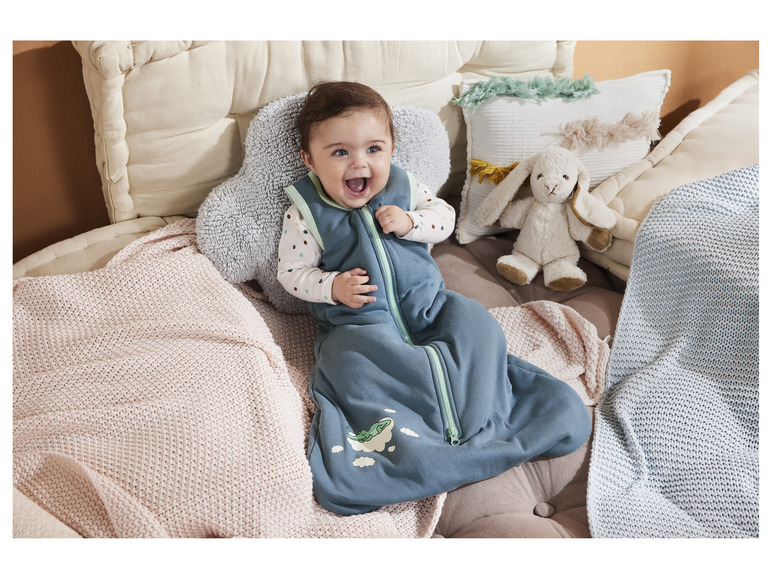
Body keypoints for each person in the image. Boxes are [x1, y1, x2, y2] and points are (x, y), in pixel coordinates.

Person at [278, 81, 591, 516]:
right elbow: (291, 274)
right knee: (351, 367)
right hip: (362, 323)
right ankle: (411, 437)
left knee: (476, 325)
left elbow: (443, 219)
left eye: (373, 149)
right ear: (310, 160)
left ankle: (479, 410)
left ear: (391, 149)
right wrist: (331, 286)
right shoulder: (305, 211)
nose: (360, 163)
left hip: (430, 305)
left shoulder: (404, 186)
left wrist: (411, 222)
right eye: (340, 152)